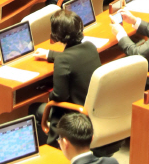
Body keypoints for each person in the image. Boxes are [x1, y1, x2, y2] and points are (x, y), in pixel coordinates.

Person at [31, 9, 102, 146]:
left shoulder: (63, 60)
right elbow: (73, 58)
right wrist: (49, 54)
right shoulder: (90, 47)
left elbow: (59, 96)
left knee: (34, 109)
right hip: (93, 110)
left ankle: (52, 152)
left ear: (56, 35)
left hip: (75, 116)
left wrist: (50, 96)